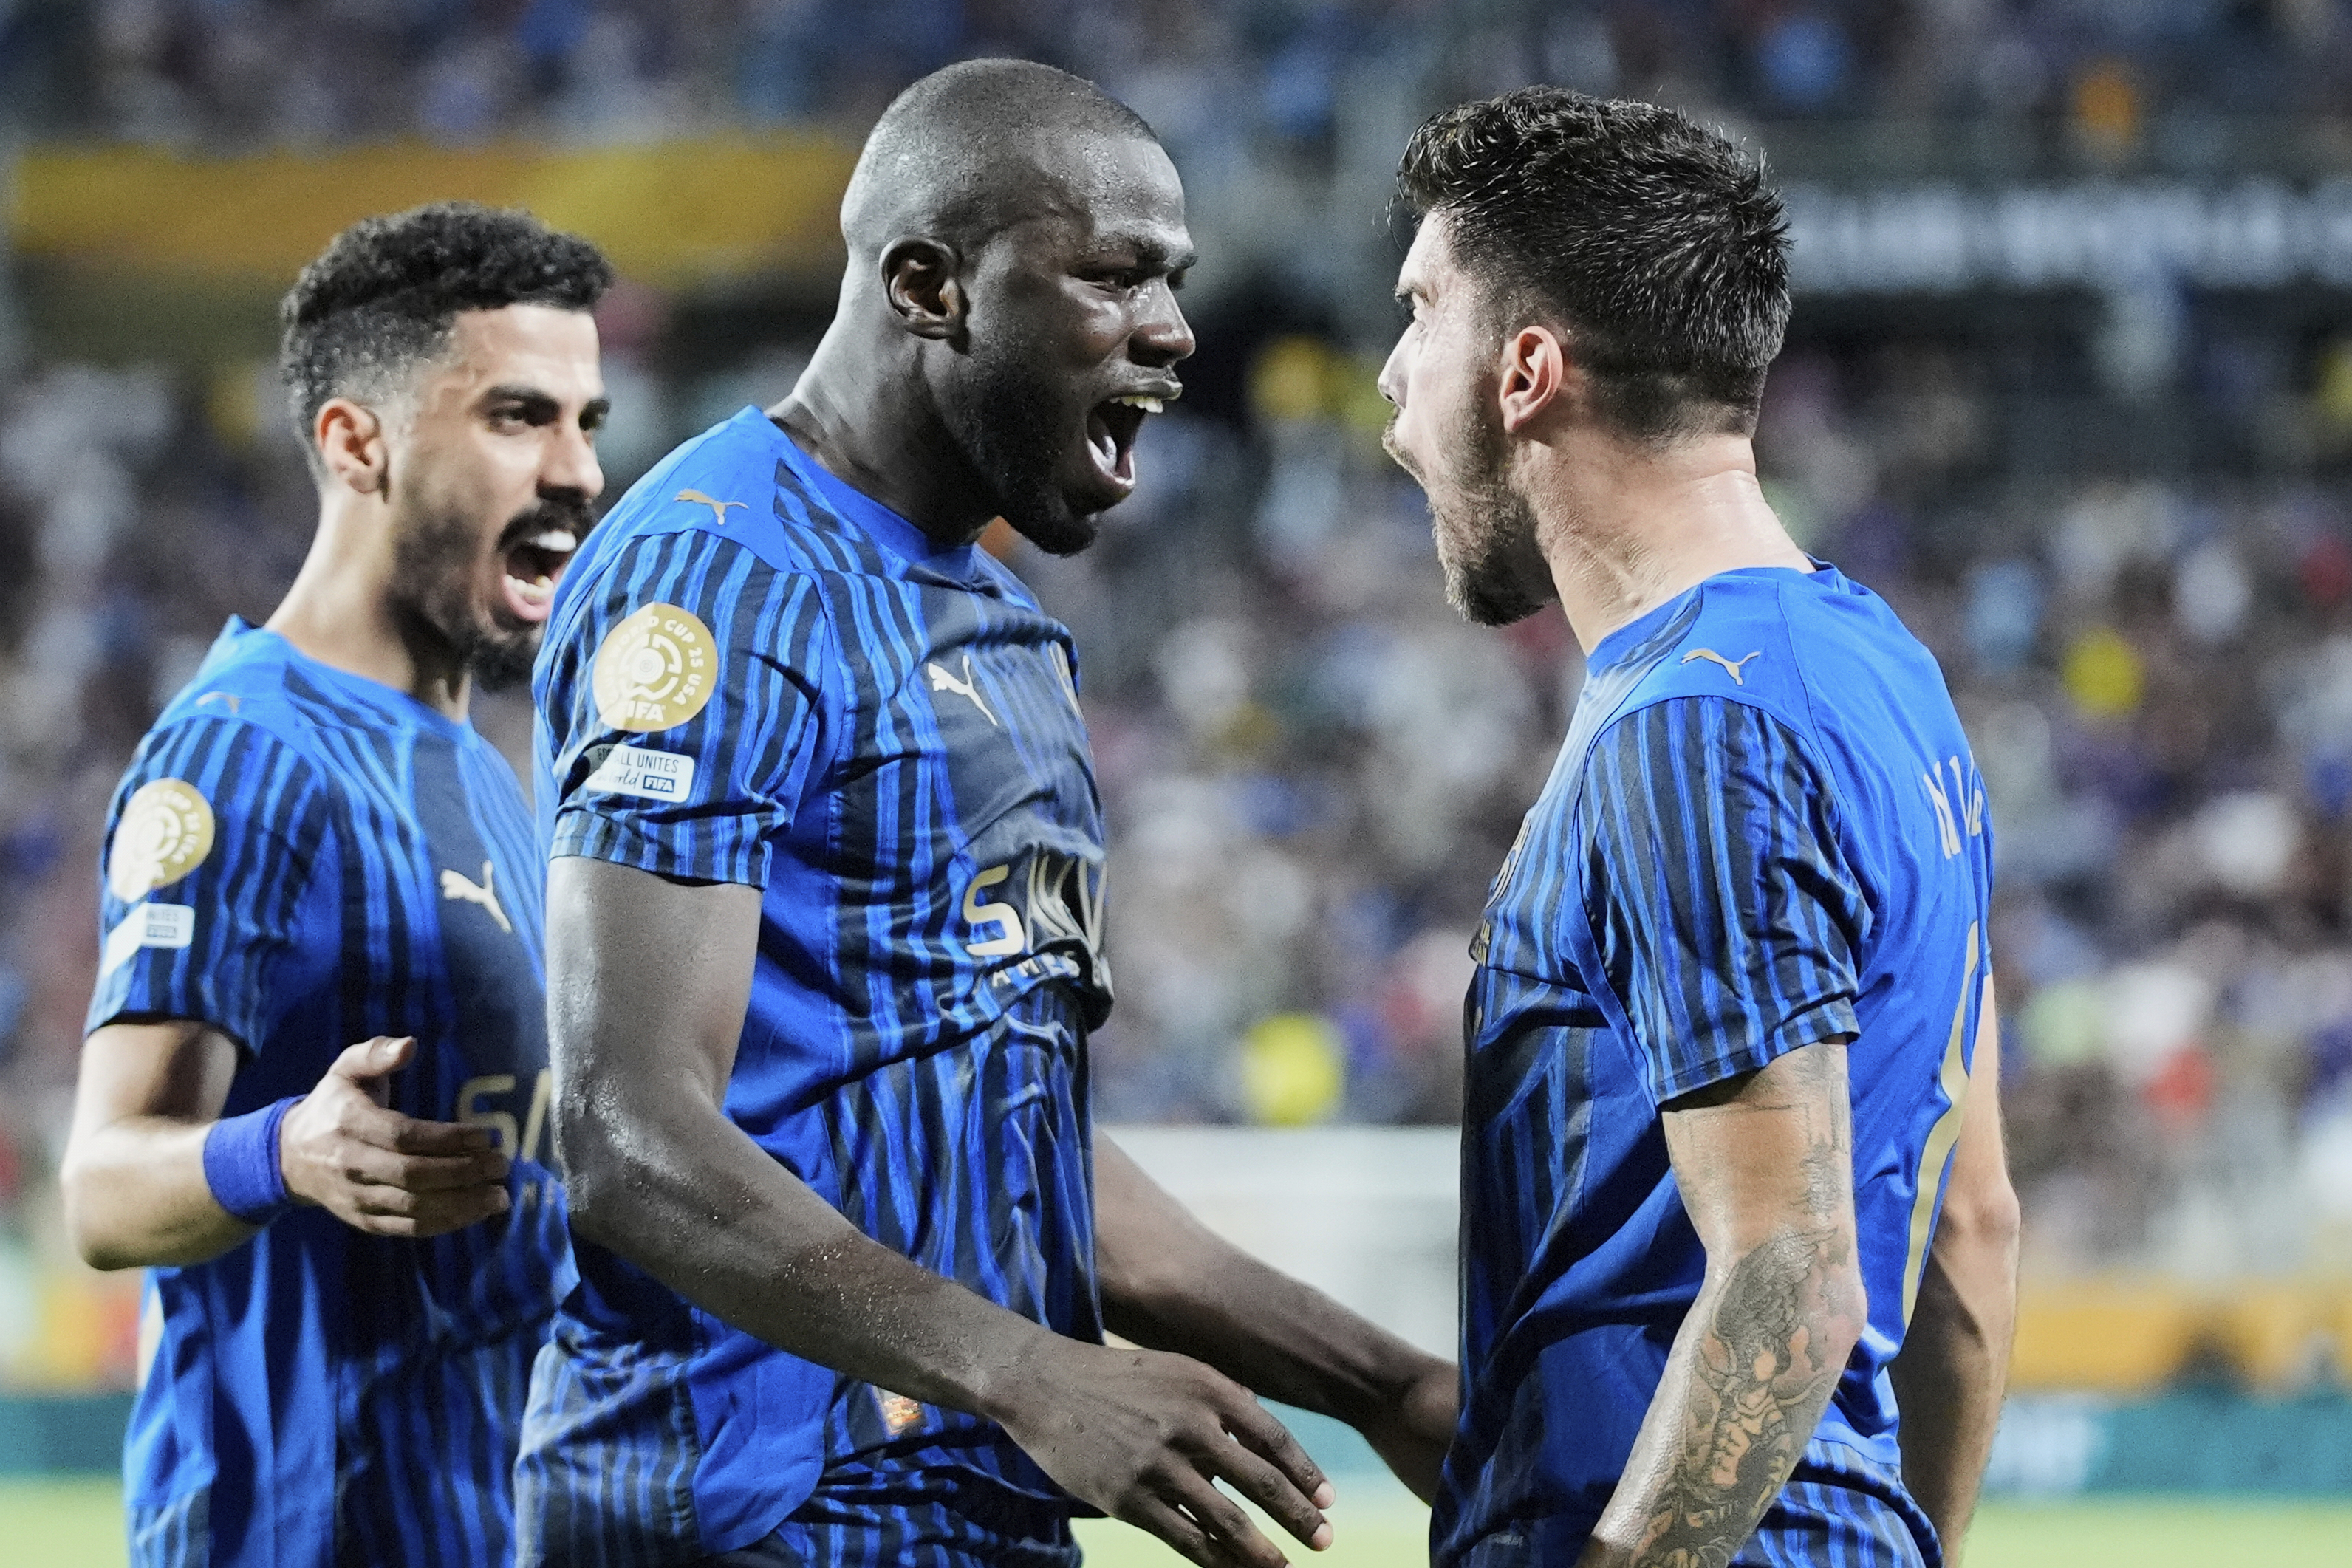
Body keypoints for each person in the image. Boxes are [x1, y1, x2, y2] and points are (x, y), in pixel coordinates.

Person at [518, 58, 1455, 1568]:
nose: (1171, 330)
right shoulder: (718, 571)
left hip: (965, 1511)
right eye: (1113, 276)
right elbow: (627, 1127)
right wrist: (1026, 1370)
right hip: (747, 1511)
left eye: (1174, 281)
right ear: (928, 285)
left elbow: (1024, 1150)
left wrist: (1390, 1388)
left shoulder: (1007, 635)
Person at [1375, 88, 2019, 1568]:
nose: (1389, 381)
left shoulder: (1693, 722)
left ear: (1525, 370)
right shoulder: (1884, 677)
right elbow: (1968, 1239)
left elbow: (1791, 1278)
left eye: (1419, 314)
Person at [63, 202, 612, 1567]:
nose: (577, 469)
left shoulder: (496, 774)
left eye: (588, 420)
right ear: (356, 443)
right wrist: (283, 1152)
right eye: (517, 417)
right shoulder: (248, 752)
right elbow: (100, 1188)